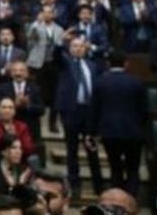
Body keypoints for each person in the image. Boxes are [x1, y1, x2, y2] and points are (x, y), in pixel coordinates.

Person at [91, 51, 148, 198]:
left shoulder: (100, 82)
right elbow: (144, 110)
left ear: (108, 64)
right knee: (133, 169)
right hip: (133, 131)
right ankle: (131, 200)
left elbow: (95, 109)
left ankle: (117, 201)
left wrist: (93, 132)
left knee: (115, 167)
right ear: (126, 64)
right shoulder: (136, 82)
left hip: (109, 132)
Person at [56, 36, 105, 195]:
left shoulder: (92, 65)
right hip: (72, 111)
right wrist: (60, 42)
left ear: (85, 49)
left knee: (92, 149)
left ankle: (98, 185)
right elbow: (57, 55)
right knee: (72, 150)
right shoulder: (66, 63)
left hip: (89, 112)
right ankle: (75, 185)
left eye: (81, 46)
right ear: (70, 49)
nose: (78, 49)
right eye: (75, 46)